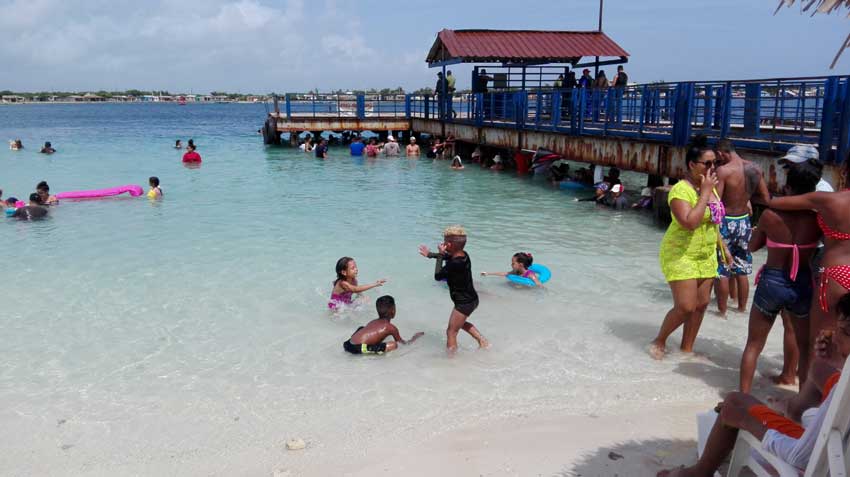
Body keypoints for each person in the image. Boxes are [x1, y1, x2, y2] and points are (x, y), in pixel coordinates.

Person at [657, 292, 850, 477]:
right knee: (819, 369)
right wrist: (840, 360)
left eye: (841, 331)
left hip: (815, 456)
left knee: (734, 404)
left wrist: (745, 421)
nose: (834, 335)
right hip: (835, 441)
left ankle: (698, 473)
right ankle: (789, 409)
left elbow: (800, 457)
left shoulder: (842, 392)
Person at [739, 159, 823, 393]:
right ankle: (801, 399)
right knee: (803, 345)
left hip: (772, 281)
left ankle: (743, 396)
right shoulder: (817, 219)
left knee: (754, 344)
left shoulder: (769, 216)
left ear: (788, 187)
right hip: (802, 283)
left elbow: (753, 247)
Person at [766, 153, 850, 378]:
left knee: (819, 345)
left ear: (844, 170)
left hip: (831, 273)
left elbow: (773, 202)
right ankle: (837, 405)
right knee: (845, 345)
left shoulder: (827, 200)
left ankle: (808, 404)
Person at [650, 136, 727, 360]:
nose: (713, 168)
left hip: (706, 253)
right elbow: (690, 222)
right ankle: (660, 339)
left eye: (716, 163)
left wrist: (724, 248)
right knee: (685, 306)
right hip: (681, 253)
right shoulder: (680, 191)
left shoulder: (710, 188)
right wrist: (704, 193)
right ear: (692, 165)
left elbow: (714, 220)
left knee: (701, 305)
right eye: (708, 164)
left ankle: (686, 348)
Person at [714, 139, 770, 316]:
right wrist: (745, 199)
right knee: (742, 267)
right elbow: (765, 198)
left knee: (722, 268)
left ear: (722, 153)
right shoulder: (755, 169)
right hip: (744, 221)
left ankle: (721, 312)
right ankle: (741, 309)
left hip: (726, 221)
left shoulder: (723, 171)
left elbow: (716, 203)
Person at [419, 226, 489, 354]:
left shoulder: (454, 264)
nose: (443, 245)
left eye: (445, 243)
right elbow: (447, 257)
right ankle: (482, 341)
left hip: (463, 303)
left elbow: (438, 276)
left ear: (449, 245)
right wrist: (430, 255)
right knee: (460, 323)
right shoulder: (464, 255)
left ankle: (451, 359)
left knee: (451, 331)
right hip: (472, 299)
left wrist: (440, 254)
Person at [342, 295, 424, 355]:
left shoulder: (373, 321)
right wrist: (414, 337)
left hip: (348, 343)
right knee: (393, 345)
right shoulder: (391, 328)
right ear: (393, 310)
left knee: (362, 328)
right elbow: (403, 344)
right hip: (357, 349)